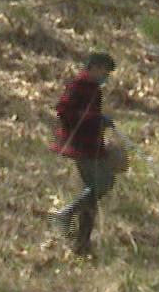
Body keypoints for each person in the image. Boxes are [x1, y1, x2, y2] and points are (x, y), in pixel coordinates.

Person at [49, 51, 120, 257]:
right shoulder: (77, 85)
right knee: (102, 182)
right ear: (94, 68)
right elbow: (63, 110)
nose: (105, 75)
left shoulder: (94, 88)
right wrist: (93, 118)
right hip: (78, 144)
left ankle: (82, 244)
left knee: (95, 191)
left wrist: (99, 120)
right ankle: (66, 214)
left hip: (90, 144)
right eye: (104, 71)